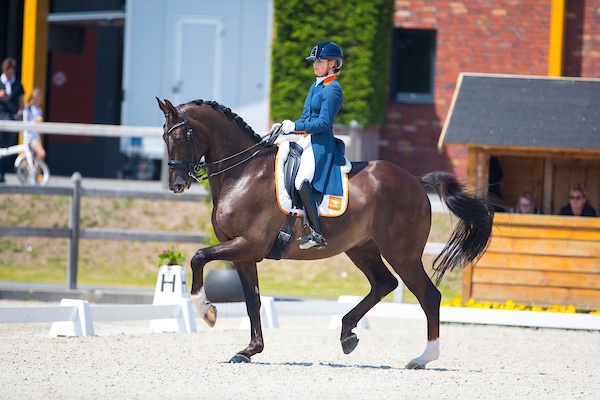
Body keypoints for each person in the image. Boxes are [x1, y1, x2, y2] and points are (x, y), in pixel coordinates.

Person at [280, 41, 346, 250]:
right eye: (315, 61)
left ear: (333, 63)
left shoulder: (333, 89)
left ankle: (317, 232)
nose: (316, 65)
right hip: (306, 138)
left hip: (320, 143)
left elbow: (324, 123)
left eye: (320, 61)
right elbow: (306, 116)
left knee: (301, 180)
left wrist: (296, 126)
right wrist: (287, 127)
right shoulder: (316, 86)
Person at [0, 57, 25, 183]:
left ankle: (2, 174)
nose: (11, 74)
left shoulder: (17, 85)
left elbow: (21, 102)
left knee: (8, 148)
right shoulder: (0, 82)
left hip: (11, 118)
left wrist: (20, 111)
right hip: (0, 117)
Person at [22, 87, 46, 160]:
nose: (36, 101)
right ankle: (34, 170)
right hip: (30, 137)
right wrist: (34, 122)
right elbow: (25, 123)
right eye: (35, 99)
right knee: (42, 153)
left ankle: (32, 170)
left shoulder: (39, 110)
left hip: (36, 136)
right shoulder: (27, 109)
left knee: (33, 157)